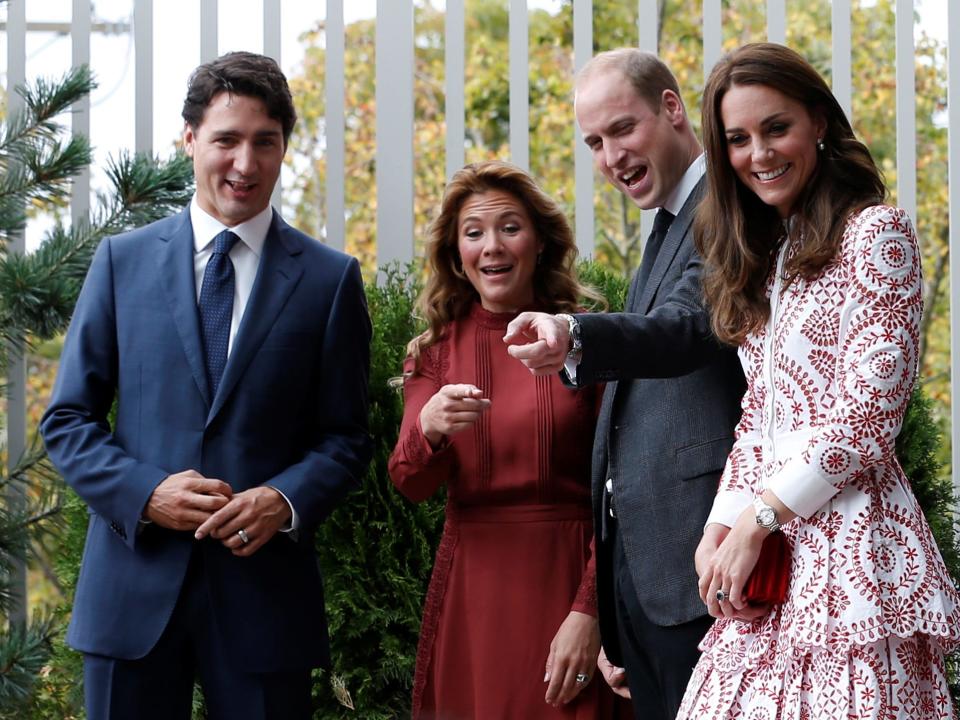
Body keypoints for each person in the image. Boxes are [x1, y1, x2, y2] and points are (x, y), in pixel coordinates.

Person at [40, 51, 372, 719]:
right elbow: (68, 420)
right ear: (190, 140)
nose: (245, 164)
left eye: (265, 142)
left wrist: (283, 498)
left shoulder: (329, 281)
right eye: (226, 140)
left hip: (264, 604)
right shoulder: (120, 263)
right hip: (129, 599)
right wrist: (146, 493)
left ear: (284, 148)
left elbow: (344, 437)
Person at [677, 42, 960, 719]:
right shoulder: (767, 257)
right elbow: (760, 416)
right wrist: (720, 527)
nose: (760, 154)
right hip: (767, 559)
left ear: (819, 123)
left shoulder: (876, 233)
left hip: (854, 553)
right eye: (738, 139)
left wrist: (760, 519)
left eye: (776, 128)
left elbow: (867, 417)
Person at [503, 50, 745, 720]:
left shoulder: (725, 206)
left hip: (705, 570)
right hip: (650, 586)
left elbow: (689, 328)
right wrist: (617, 608)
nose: (611, 156)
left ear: (671, 109)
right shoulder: (667, 224)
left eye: (622, 130)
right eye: (594, 143)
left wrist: (576, 336)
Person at [388, 160, 623, 719]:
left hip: (570, 580)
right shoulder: (433, 352)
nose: (492, 246)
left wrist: (590, 612)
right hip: (474, 592)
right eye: (474, 233)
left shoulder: (587, 340)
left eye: (509, 228)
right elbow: (410, 482)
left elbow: (621, 492)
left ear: (539, 242)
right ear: (457, 253)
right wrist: (429, 430)